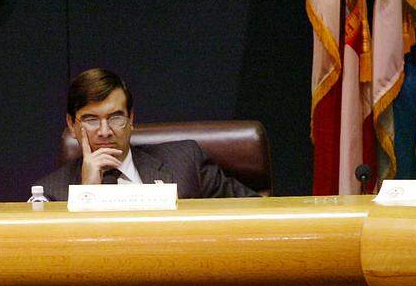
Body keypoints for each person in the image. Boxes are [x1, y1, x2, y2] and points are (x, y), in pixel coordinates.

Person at [34, 68, 260, 201]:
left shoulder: (185, 163)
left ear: (131, 119)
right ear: (71, 125)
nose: (105, 131)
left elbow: (256, 211)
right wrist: (88, 195)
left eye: (116, 117)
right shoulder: (52, 194)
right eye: (91, 120)